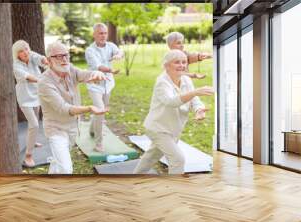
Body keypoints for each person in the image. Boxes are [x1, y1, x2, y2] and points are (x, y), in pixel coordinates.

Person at [133, 50, 214, 175]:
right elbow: (171, 101)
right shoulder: (162, 82)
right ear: (166, 66)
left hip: (172, 129)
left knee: (151, 157)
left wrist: (199, 110)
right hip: (158, 128)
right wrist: (195, 92)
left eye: (184, 62)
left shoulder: (186, 80)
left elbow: (194, 100)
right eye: (177, 62)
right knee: (178, 159)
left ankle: (135, 177)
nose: (182, 65)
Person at [38, 42, 109, 174]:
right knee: (66, 169)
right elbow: (64, 109)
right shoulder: (44, 82)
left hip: (72, 129)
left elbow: (83, 74)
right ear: (48, 60)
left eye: (66, 55)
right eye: (58, 56)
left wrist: (95, 73)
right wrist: (89, 108)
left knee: (59, 159)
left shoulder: (69, 68)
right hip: (56, 129)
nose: (64, 59)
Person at [85, 23, 124, 152]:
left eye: (105, 33)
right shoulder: (90, 50)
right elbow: (99, 66)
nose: (103, 36)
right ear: (94, 35)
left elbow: (119, 51)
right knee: (101, 110)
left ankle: (92, 129)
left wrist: (119, 54)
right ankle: (99, 143)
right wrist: (111, 70)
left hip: (108, 84)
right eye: (100, 33)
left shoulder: (111, 46)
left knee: (100, 112)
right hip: (95, 85)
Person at [12, 40, 48, 168]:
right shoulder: (16, 65)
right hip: (25, 98)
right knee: (34, 124)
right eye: (21, 51)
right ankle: (28, 155)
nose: (25, 52)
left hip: (36, 94)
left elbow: (40, 58)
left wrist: (45, 60)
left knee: (35, 121)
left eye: (26, 49)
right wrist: (43, 80)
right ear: (17, 55)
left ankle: (32, 141)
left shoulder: (30, 54)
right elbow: (30, 77)